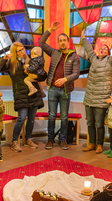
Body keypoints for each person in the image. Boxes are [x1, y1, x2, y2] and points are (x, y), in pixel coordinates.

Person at [0, 42, 47, 152]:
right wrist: (4, 58)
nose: (23, 52)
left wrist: (41, 89)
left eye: (23, 49)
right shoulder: (11, 64)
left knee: (31, 119)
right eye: (19, 50)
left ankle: (28, 139)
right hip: (21, 95)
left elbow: (39, 77)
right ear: (15, 52)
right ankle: (14, 141)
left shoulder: (31, 61)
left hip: (34, 94)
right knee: (21, 118)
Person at [39, 21, 81, 151]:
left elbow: (76, 74)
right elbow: (41, 43)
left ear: (68, 42)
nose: (62, 42)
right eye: (60, 40)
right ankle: (50, 140)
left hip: (65, 91)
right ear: (58, 43)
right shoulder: (54, 53)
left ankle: (63, 140)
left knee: (64, 117)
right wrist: (50, 30)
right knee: (51, 115)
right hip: (52, 90)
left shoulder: (74, 56)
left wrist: (65, 79)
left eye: (64, 40)